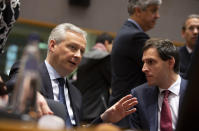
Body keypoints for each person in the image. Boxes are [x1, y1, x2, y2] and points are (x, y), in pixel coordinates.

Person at [7, 23, 138, 127]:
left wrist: (104, 118)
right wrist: (32, 93)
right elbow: (15, 82)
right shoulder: (31, 74)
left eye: (82, 51)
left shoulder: (76, 94)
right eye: (73, 48)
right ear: (52, 45)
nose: (78, 55)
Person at [109, 0, 162, 127]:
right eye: (153, 10)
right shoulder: (135, 37)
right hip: (130, 114)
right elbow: (162, 70)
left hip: (123, 111)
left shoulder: (127, 32)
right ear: (138, 10)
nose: (157, 15)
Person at [129, 38, 187, 131]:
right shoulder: (138, 95)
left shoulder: (194, 93)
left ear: (170, 62)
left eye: (150, 62)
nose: (144, 69)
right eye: (144, 62)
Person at [74, 32, 113, 123]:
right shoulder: (105, 58)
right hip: (98, 108)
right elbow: (112, 81)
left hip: (81, 106)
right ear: (107, 43)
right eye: (112, 44)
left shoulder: (83, 57)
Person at [179, 14, 199, 79]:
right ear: (183, 33)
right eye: (191, 28)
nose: (195, 32)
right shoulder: (175, 55)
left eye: (198, 28)